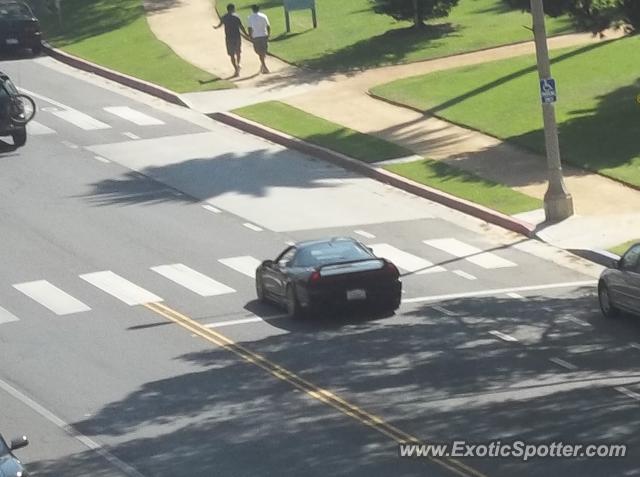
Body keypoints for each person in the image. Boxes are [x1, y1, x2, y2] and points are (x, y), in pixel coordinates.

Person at [214, 3, 247, 77]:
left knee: (231, 55)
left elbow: (220, 24)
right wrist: (246, 34)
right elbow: (241, 27)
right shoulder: (236, 17)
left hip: (229, 38)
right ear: (232, 9)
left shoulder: (224, 17)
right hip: (237, 37)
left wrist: (216, 27)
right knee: (238, 52)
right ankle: (238, 64)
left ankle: (236, 69)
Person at [247, 4, 271, 74]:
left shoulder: (250, 17)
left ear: (252, 9)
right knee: (263, 52)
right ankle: (263, 65)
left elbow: (249, 28)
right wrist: (268, 34)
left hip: (256, 37)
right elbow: (268, 26)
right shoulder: (264, 16)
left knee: (260, 52)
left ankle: (264, 66)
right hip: (264, 35)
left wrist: (250, 36)